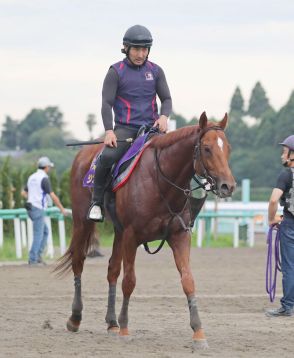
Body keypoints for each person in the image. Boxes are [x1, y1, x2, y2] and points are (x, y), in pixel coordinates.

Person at [88, 24, 172, 222]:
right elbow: (106, 104)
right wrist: (109, 131)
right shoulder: (115, 71)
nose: (141, 54)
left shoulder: (157, 71)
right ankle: (97, 203)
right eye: (136, 49)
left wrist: (164, 117)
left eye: (144, 49)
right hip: (125, 130)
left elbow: (166, 99)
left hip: (151, 131)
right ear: (126, 48)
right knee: (106, 157)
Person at [266, 135, 294, 317]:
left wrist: (271, 219)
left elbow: (274, 200)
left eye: (285, 152)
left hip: (290, 224)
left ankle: (288, 306)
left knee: (289, 266)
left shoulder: (286, 175)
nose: (282, 155)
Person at [22, 156, 68, 266]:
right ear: (46, 167)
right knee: (39, 234)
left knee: (45, 232)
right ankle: (33, 258)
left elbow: (23, 193)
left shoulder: (32, 177)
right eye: (49, 167)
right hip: (37, 208)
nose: (50, 169)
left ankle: (37, 256)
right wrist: (62, 209)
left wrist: (32, 198)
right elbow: (53, 196)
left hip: (30, 207)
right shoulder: (44, 178)